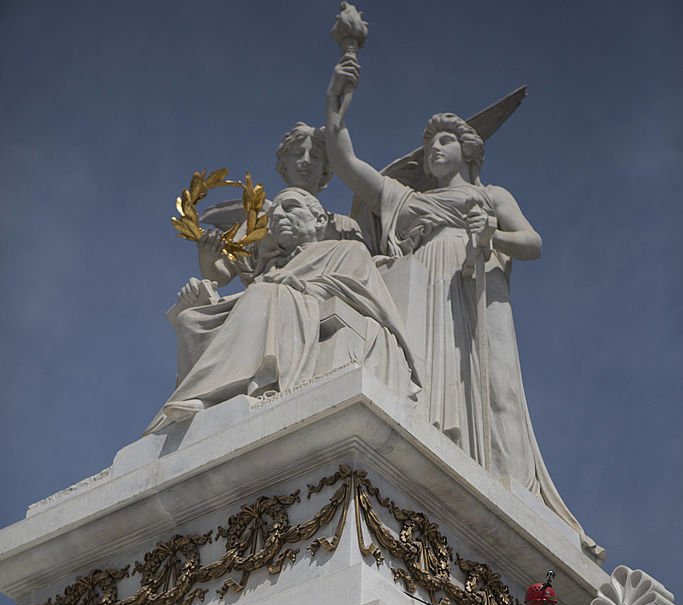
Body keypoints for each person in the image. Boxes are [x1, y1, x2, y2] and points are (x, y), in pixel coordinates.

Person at [324, 53, 603, 560]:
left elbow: (533, 242)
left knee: (478, 380)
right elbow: (347, 164)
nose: (434, 149)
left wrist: (490, 232)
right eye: (429, 144)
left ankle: (484, 467)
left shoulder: (490, 195)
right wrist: (337, 108)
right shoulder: (405, 200)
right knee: (424, 376)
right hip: (420, 288)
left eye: (445, 141)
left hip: (471, 284)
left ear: (468, 152)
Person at [145, 189, 419, 433]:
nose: (279, 217)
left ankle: (212, 393)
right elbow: (244, 303)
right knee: (190, 319)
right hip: (276, 306)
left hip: (300, 308)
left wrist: (300, 285)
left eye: (290, 207)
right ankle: (200, 398)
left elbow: (360, 293)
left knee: (265, 293)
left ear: (320, 220)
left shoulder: (346, 250)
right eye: (273, 215)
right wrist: (205, 292)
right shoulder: (272, 268)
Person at [196, 122, 363, 289]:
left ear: (325, 169)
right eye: (298, 153)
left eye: (315, 156)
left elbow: (362, 271)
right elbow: (220, 275)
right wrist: (207, 257)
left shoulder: (343, 226)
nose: (305, 161)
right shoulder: (260, 220)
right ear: (284, 164)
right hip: (266, 297)